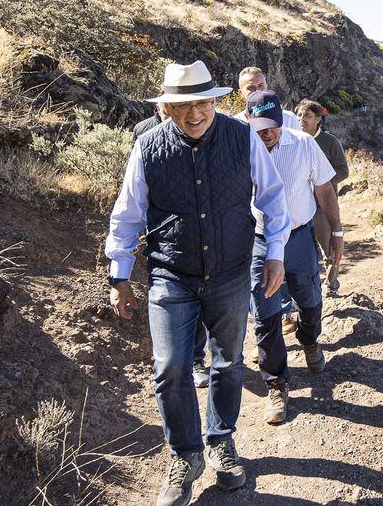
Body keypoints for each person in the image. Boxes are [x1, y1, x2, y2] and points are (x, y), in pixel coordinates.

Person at [105, 61, 289, 506]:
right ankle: (185, 455)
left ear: (215, 101)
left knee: (228, 363)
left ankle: (221, 441)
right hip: (171, 275)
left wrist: (276, 253)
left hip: (229, 273)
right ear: (166, 106)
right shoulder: (148, 147)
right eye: (183, 105)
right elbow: (128, 215)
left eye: (203, 103)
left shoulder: (241, 136)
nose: (195, 114)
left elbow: (272, 197)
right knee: (170, 368)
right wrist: (119, 274)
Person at [244, 90, 343, 425]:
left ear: (280, 120)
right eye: (259, 125)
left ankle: (309, 338)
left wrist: (337, 233)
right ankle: (276, 382)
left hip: (299, 238)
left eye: (271, 124)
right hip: (258, 240)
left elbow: (324, 190)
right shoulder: (241, 148)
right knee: (265, 313)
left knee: (310, 299)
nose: (266, 132)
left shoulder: (303, 144)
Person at [133, 103, 211, 389]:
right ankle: (174, 360)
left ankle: (195, 357)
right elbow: (137, 185)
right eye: (172, 106)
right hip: (163, 236)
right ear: (160, 105)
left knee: (200, 300)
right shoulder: (143, 133)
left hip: (199, 234)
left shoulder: (202, 131)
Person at [295, 99, 348, 295]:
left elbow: (343, 171)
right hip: (298, 204)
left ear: (318, 119)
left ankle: (332, 285)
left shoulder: (329, 142)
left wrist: (321, 179)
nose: (302, 120)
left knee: (330, 249)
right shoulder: (292, 139)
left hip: (322, 207)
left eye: (307, 116)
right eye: (299, 115)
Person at [236, 66, 301, 131]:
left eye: (261, 85)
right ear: (241, 93)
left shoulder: (288, 118)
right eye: (251, 88)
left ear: (267, 86)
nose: (257, 90)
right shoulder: (236, 123)